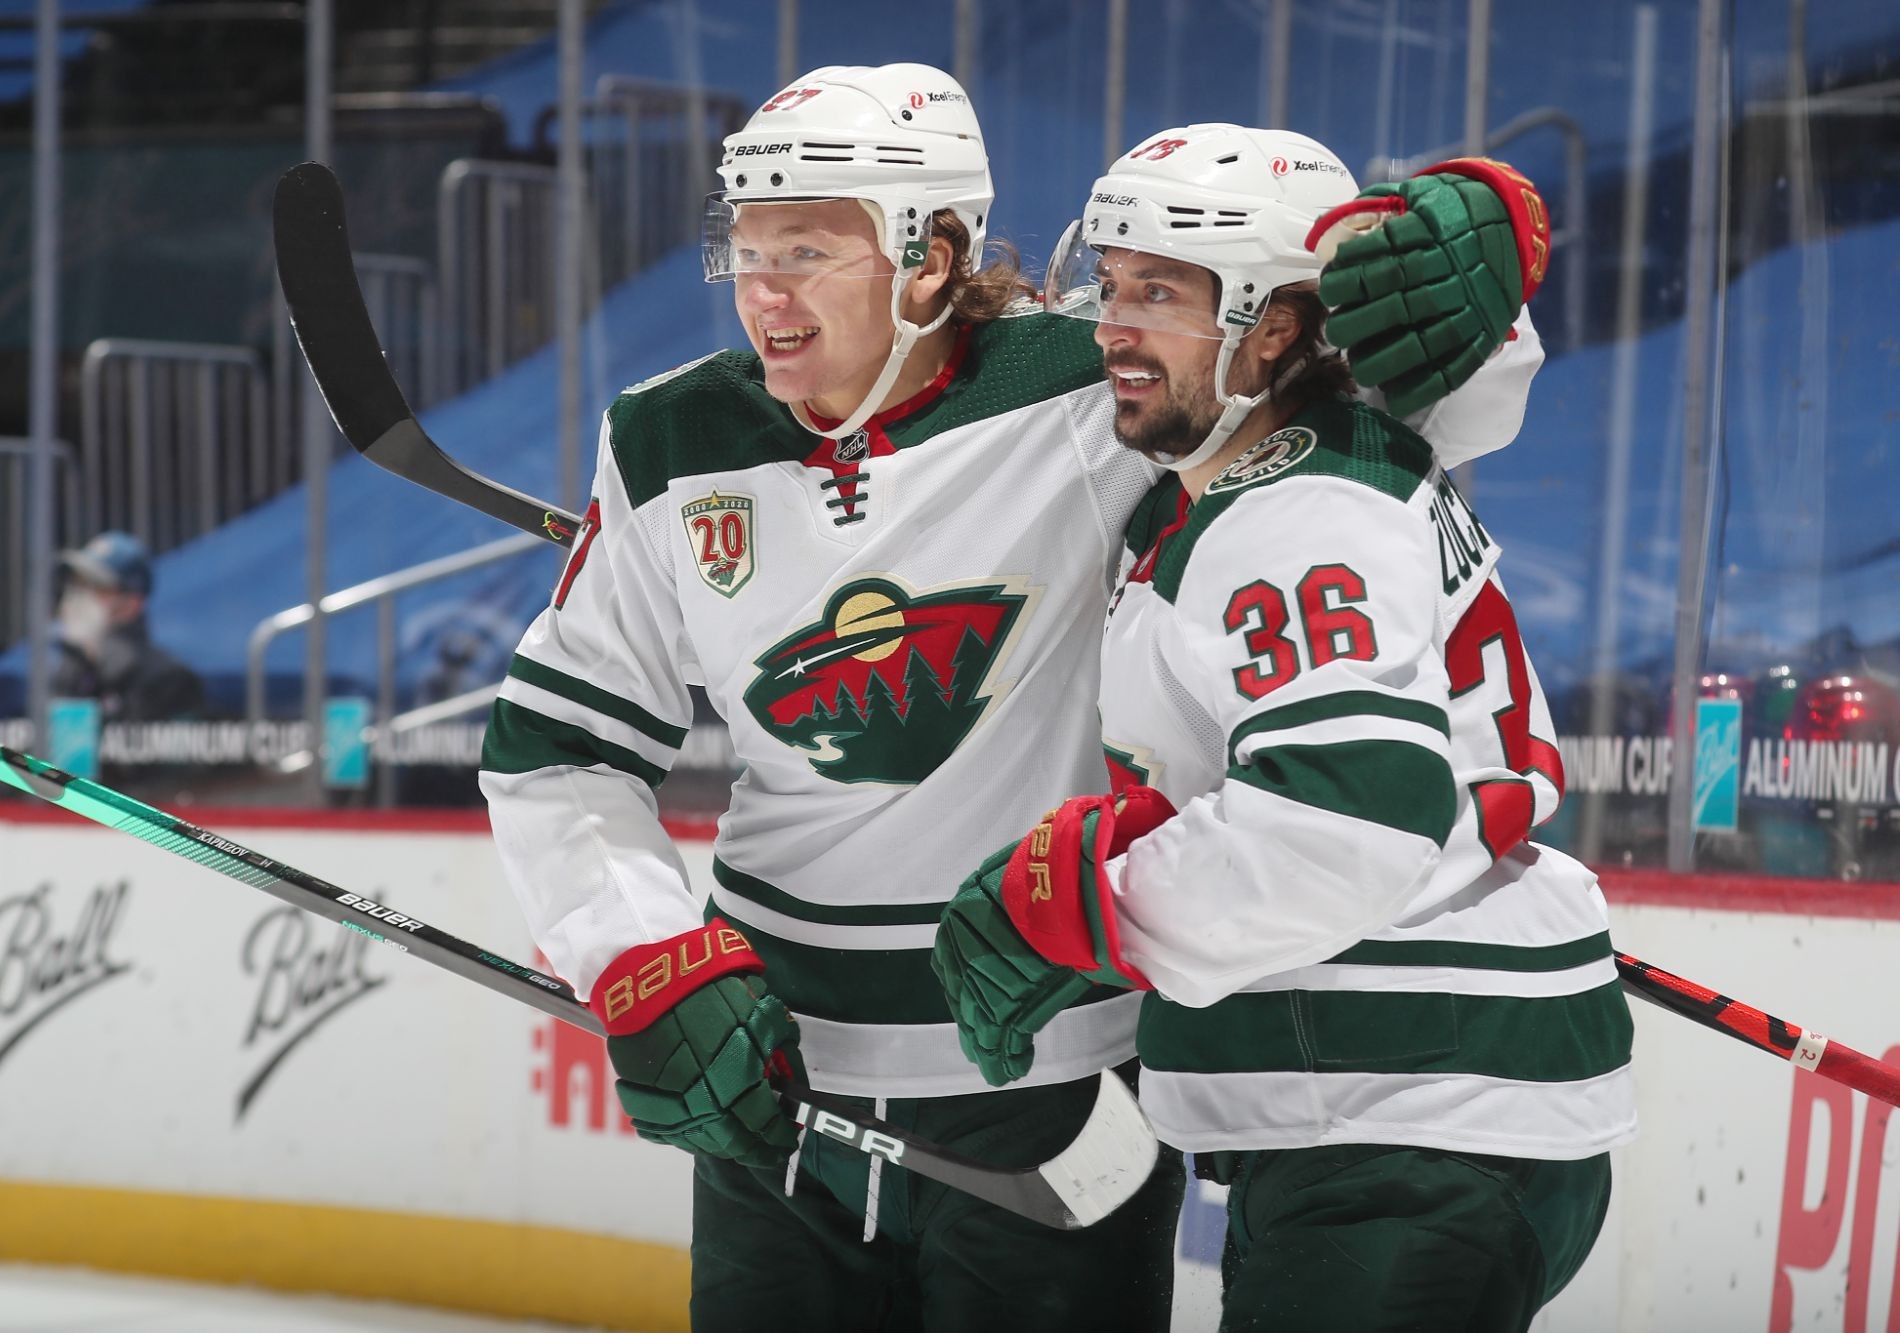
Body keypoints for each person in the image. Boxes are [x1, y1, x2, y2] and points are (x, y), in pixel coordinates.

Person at [479, 64, 1552, 1331]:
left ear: (929, 258)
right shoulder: (666, 438)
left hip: (1051, 1065)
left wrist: (1473, 272)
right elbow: (559, 747)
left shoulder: (1092, 387)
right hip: (772, 1069)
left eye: (808, 251)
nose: (763, 290)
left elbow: (1356, 391)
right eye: (747, 249)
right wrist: (638, 948)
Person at [931, 124, 1636, 1333]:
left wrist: (1090, 908)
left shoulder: (1291, 514)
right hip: (1404, 1108)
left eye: (1160, 294)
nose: (1112, 326)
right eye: (1112, 282)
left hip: (1400, 1113)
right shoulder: (1324, 456)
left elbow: (1344, 820)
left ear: (1270, 327)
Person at [51, 530, 203, 722]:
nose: (79, 597)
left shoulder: (170, 678)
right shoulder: (70, 669)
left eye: (97, 586)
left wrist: (105, 656)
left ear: (132, 602)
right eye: (78, 585)